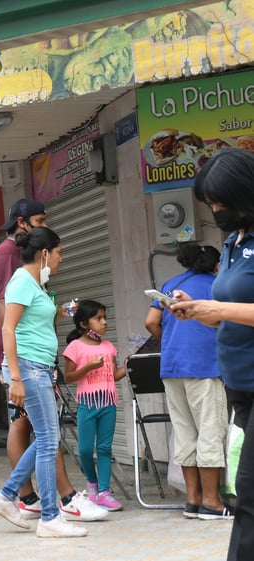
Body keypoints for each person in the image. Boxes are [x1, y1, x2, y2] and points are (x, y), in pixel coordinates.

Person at [0, 198, 106, 523]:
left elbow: (28, 319)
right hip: (27, 368)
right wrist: (14, 376)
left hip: (36, 366)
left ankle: (10, 496)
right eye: (59, 253)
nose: (61, 259)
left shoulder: (34, 281)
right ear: (43, 254)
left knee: (46, 438)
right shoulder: (18, 275)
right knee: (44, 437)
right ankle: (49, 513)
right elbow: (8, 326)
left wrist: (59, 311)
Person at [169, 148, 254, 561]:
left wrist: (216, 308)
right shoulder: (235, 243)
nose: (215, 210)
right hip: (240, 387)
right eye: (210, 204)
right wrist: (200, 312)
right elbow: (232, 316)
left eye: (220, 202)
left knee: (248, 497)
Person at [144, 243, 230, 521]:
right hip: (204, 366)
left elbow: (150, 322)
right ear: (216, 264)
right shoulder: (218, 285)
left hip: (172, 367)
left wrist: (170, 341)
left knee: (184, 433)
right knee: (209, 430)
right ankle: (212, 502)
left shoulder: (171, 284)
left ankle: (192, 501)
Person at [63, 299, 127, 511]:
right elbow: (69, 376)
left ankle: (104, 491)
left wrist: (127, 366)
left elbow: (114, 375)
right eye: (98, 318)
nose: (104, 322)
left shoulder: (108, 347)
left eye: (105, 318)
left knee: (105, 448)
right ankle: (91, 485)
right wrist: (89, 367)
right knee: (85, 449)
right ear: (84, 324)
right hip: (87, 404)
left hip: (108, 402)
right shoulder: (75, 347)